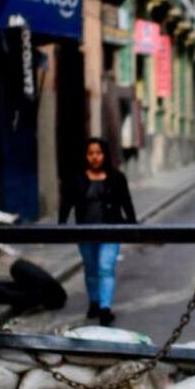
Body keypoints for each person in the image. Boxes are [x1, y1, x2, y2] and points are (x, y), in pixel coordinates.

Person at [58, 138, 137, 326]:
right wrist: (61, 223)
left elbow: (126, 202)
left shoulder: (117, 178)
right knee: (91, 269)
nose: (95, 157)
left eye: (99, 153)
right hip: (84, 232)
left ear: (105, 155)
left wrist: (133, 225)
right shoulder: (76, 178)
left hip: (111, 231)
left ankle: (105, 308)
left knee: (105, 267)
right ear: (86, 156)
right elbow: (67, 202)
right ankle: (94, 302)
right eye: (91, 153)